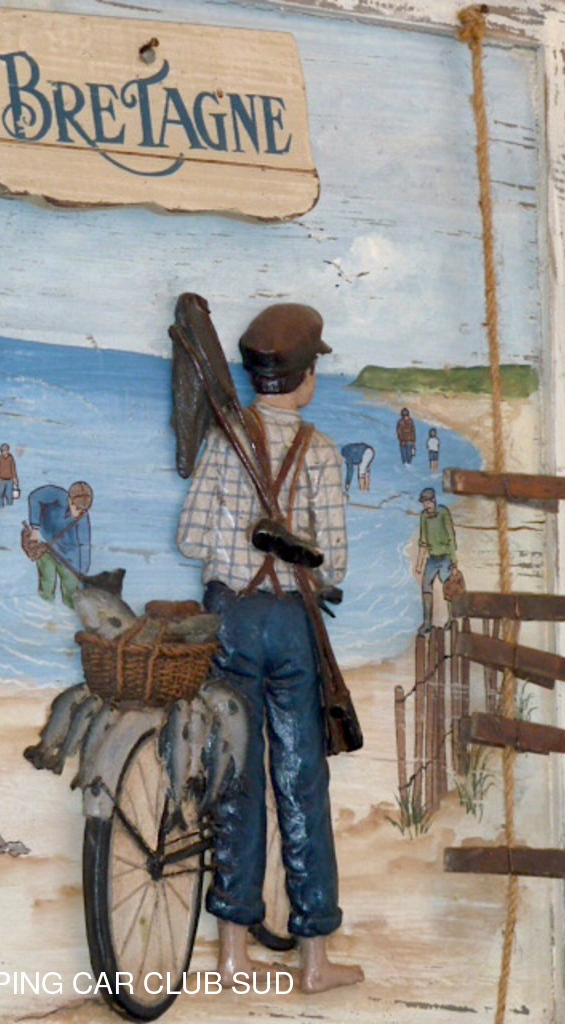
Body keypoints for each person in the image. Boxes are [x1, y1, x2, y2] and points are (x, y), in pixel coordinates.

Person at [176, 303, 363, 994]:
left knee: (234, 776)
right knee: (301, 781)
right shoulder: (319, 452)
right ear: (306, 377)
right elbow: (334, 563)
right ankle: (313, 958)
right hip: (290, 624)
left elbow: (189, 540)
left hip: (229, 621)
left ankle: (231, 954)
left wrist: (232, 546)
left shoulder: (223, 441)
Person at [27, 481, 93, 608]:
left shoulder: (83, 518)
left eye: (84, 510)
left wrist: (82, 572)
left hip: (69, 558)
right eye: (77, 508)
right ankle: (45, 611)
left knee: (71, 596)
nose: (80, 513)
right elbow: (34, 497)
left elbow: (84, 545)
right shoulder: (56, 496)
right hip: (46, 548)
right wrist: (35, 528)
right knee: (47, 584)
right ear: (70, 500)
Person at [414, 486, 457, 635]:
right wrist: (419, 563)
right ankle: (427, 622)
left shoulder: (443, 512)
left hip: (445, 558)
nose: (426, 505)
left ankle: (452, 619)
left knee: (449, 589)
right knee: (426, 587)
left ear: (433, 500)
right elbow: (422, 540)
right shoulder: (423, 516)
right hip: (432, 559)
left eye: (427, 502)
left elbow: (451, 537)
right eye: (423, 503)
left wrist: (454, 562)